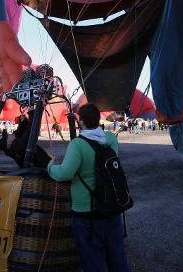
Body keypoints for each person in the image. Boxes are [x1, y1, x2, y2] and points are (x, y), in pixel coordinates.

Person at [47, 103, 130, 272]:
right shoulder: (111, 139)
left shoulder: (78, 144)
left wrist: (50, 166)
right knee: (117, 254)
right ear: (98, 119)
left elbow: (64, 173)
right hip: (112, 206)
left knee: (92, 258)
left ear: (81, 121)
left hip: (87, 211)